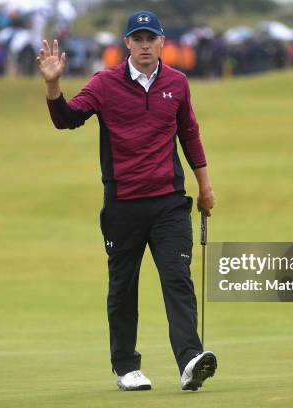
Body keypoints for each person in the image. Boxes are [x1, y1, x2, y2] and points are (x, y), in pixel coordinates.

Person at [37, 11, 217, 392]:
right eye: (138, 38)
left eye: (151, 37)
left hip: (169, 202)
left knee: (177, 279)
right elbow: (67, 119)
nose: (146, 44)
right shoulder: (105, 84)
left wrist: (205, 186)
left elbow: (190, 135)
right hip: (123, 206)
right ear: (128, 44)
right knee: (123, 287)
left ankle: (189, 360)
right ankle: (126, 368)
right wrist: (54, 87)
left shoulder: (177, 84)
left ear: (163, 41)